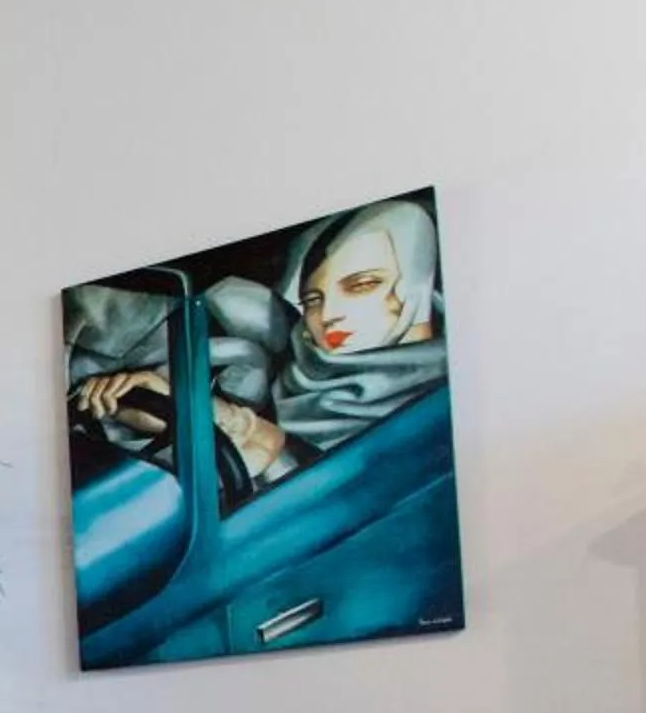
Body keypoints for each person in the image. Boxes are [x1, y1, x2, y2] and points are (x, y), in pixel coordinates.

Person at [68, 195, 446, 495]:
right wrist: (178, 405)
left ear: (416, 282)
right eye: (313, 299)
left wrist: (266, 446)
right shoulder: (290, 369)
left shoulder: (444, 404)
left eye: (361, 285)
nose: (329, 314)